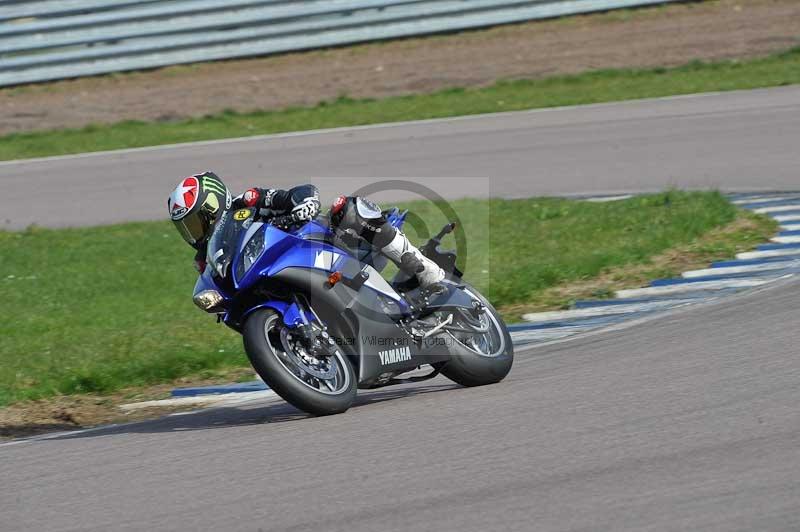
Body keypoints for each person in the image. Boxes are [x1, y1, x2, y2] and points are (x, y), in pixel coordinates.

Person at [167, 171, 445, 287]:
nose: (193, 232)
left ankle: (421, 267)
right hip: (279, 277)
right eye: (186, 228)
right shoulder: (208, 261)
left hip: (324, 243)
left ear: (214, 203)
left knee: (346, 208)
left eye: (196, 221)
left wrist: (303, 204)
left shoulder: (248, 201)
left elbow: (297, 193)